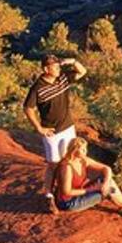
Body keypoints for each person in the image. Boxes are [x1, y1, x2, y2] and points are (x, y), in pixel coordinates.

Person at [24, 53, 87, 213]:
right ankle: (49, 197)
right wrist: (39, 128)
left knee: (70, 159)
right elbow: (28, 108)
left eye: (59, 66)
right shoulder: (38, 88)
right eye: (55, 66)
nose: (59, 68)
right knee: (53, 165)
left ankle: (65, 190)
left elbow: (82, 71)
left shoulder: (63, 78)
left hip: (68, 127)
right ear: (46, 69)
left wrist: (72, 61)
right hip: (52, 132)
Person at [54, 137, 122, 219]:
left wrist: (106, 182)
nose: (85, 152)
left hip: (79, 193)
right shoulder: (66, 167)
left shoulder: (82, 160)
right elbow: (67, 192)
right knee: (109, 191)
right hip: (69, 203)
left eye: (85, 149)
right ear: (74, 150)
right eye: (82, 150)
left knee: (108, 182)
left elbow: (106, 168)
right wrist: (91, 189)